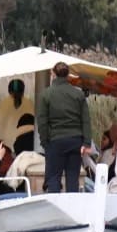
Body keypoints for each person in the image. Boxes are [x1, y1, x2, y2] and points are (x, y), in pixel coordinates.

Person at [37, 61, 91, 192]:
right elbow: (86, 120)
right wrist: (86, 142)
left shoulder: (46, 94)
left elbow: (42, 121)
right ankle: (72, 208)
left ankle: (55, 209)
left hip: (55, 141)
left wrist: (45, 142)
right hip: (75, 141)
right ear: (68, 75)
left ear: (53, 74)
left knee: (54, 178)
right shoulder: (78, 94)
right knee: (73, 178)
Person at [0, 78, 28, 147]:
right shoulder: (30, 105)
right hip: (25, 151)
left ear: (9, 91)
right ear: (23, 90)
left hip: (5, 151)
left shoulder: (1, 106)